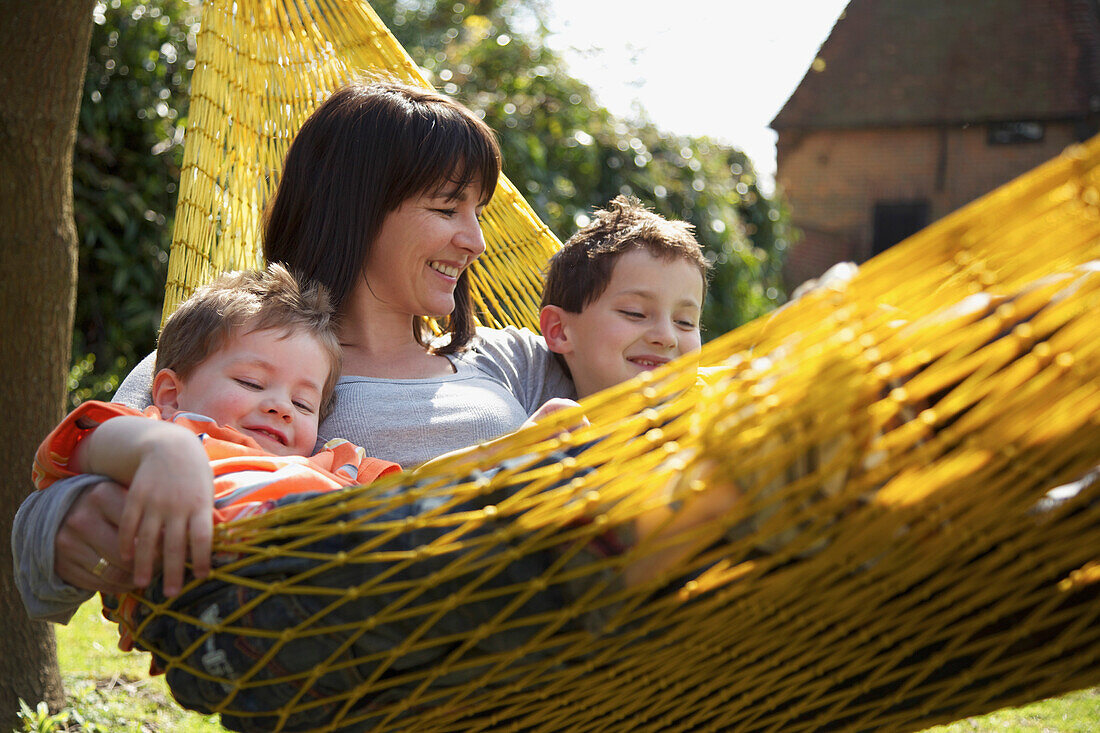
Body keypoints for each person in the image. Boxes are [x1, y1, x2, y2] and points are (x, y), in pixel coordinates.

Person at [13, 79, 574, 623]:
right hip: (345, 646)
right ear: (357, 208)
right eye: (448, 209)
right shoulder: (230, 355)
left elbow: (650, 385)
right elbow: (55, 502)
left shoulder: (513, 361)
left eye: (478, 212)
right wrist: (75, 515)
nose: (475, 241)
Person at [31, 265, 401, 645]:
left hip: (337, 598)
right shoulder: (172, 431)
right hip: (211, 604)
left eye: (303, 403)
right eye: (251, 382)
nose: (281, 407)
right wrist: (156, 447)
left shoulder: (333, 461)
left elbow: (412, 504)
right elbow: (79, 449)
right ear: (172, 395)